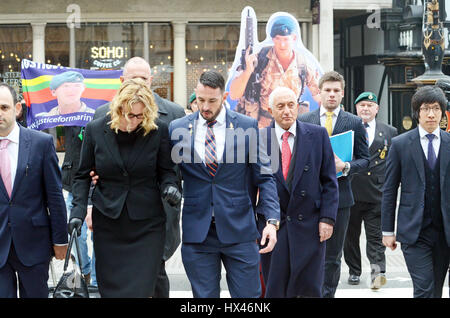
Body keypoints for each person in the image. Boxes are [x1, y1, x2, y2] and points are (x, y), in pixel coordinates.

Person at [169, 70, 280, 298]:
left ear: (225, 96)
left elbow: (265, 176)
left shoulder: (247, 126)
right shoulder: (178, 128)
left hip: (240, 231)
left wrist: (271, 221)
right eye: (200, 100)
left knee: (248, 298)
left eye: (212, 100)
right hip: (198, 233)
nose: (205, 106)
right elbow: (167, 173)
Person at [68, 78, 181, 297]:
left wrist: (170, 188)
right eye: (129, 115)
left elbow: (167, 171)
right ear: (118, 108)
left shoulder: (157, 131)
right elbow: (81, 176)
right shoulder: (95, 130)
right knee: (112, 291)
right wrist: (78, 212)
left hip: (147, 225)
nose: (134, 121)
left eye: (140, 116)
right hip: (109, 223)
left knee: (141, 289)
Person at [257, 87, 338, 297]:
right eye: (280, 106)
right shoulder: (258, 139)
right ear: (269, 110)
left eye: (291, 105)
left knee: (309, 288)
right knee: (275, 288)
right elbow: (250, 185)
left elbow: (329, 181)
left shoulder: (317, 135)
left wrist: (327, 219)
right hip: (273, 227)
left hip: (310, 226)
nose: (287, 111)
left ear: (298, 106)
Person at [298, 71, 370, 298]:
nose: (331, 95)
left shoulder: (355, 122)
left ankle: (327, 294)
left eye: (336, 91)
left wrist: (346, 166)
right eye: (327, 90)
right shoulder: (304, 121)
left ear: (342, 93)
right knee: (307, 252)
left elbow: (365, 159)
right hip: (307, 198)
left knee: (332, 256)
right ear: (319, 92)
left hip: (340, 197)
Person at [0, 82, 68, 298]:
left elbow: (55, 197)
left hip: (34, 244)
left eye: (4, 107)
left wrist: (60, 240)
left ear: (17, 108)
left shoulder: (41, 143)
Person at [381, 85, 450, 298]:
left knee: (436, 288)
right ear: (417, 112)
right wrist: (387, 231)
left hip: (445, 231)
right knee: (424, 288)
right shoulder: (400, 144)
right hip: (414, 231)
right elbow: (389, 190)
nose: (431, 114)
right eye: (425, 108)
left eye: (436, 108)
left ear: (443, 112)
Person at [343, 92, 398, 289]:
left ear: (377, 109)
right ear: (356, 108)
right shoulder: (347, 129)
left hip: (377, 192)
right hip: (351, 190)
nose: (365, 108)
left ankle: (377, 273)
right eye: (362, 105)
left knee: (375, 236)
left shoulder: (390, 131)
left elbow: (394, 162)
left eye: (370, 105)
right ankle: (354, 271)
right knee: (350, 236)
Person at [229, 15, 320, 128]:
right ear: (272, 39)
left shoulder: (303, 65)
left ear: (294, 38)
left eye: (286, 39)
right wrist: (247, 71)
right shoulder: (259, 60)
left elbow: (319, 97)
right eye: (278, 39)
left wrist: (333, 110)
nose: (282, 44)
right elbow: (234, 95)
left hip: (290, 126)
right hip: (262, 125)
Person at [61, 125, 97, 288]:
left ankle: (96, 280)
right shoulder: (70, 113)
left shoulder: (102, 116)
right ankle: (86, 270)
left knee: (98, 236)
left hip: (99, 182)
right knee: (76, 234)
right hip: (74, 182)